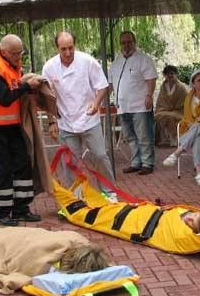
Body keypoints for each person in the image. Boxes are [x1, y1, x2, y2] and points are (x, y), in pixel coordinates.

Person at [0, 206, 110, 294]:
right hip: (28, 237)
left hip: (16, 248)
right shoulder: (78, 242)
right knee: (2, 234)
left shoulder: (45, 267)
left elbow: (23, 272)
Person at [0, 34, 45, 226]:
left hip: (12, 127)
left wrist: (31, 87)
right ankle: (1, 214)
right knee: (3, 172)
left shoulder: (13, 65)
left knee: (23, 164)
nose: (18, 57)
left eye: (20, 52)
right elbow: (5, 97)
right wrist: (25, 86)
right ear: (4, 51)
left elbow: (16, 90)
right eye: (15, 53)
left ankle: (21, 209)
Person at [41, 31, 117, 199]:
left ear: (75, 45)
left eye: (70, 48)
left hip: (89, 119)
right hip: (66, 122)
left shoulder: (87, 62)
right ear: (57, 48)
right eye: (63, 49)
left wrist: (96, 104)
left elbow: (102, 85)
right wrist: (51, 122)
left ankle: (109, 192)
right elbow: (47, 97)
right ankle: (76, 195)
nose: (68, 53)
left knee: (99, 155)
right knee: (69, 162)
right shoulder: (49, 67)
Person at [109, 31, 157, 175]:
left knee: (144, 135)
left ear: (134, 42)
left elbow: (151, 79)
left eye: (129, 42)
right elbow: (110, 84)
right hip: (122, 107)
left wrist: (149, 95)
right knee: (130, 136)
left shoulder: (143, 59)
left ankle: (148, 163)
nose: (126, 45)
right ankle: (136, 162)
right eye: (123, 42)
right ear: (120, 44)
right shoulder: (116, 62)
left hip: (140, 105)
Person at [154, 65, 188, 146]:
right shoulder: (163, 87)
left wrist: (170, 108)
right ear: (165, 76)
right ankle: (163, 140)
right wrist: (165, 109)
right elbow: (160, 101)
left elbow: (183, 103)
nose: (170, 76)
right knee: (158, 116)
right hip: (164, 110)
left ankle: (173, 139)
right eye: (167, 74)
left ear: (176, 74)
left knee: (169, 116)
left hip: (179, 111)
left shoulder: (181, 87)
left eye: (172, 73)